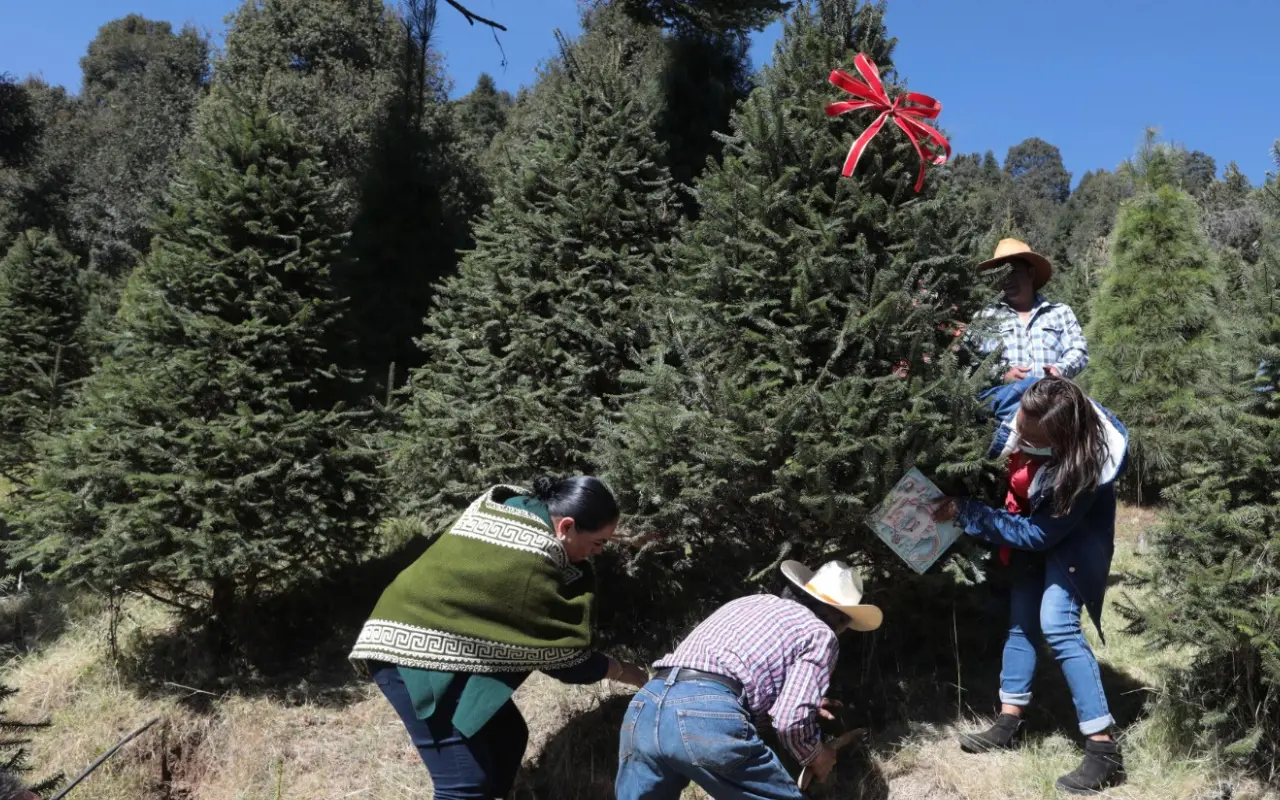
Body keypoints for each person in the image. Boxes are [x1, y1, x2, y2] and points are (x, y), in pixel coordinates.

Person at [349, 476, 649, 800]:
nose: (598, 553)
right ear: (566, 527)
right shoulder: (531, 563)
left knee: (507, 736)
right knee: (463, 784)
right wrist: (623, 671)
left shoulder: (517, 508)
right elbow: (563, 660)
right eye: (598, 543)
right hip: (408, 653)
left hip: (437, 633)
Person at [932, 376, 1129, 795]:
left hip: (1067, 540)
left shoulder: (1090, 465)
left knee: (1056, 623)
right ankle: (1009, 722)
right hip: (1022, 519)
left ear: (1060, 441)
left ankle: (1104, 751)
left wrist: (968, 512)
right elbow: (963, 387)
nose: (1018, 435)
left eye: (1030, 435)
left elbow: (1041, 536)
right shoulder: (1026, 400)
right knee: (1021, 620)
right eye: (1019, 423)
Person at [614, 560, 883, 800]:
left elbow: (740, 670)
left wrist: (809, 703)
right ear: (842, 620)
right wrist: (817, 755)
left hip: (646, 705)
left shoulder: (751, 602)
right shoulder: (820, 633)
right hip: (706, 717)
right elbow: (791, 719)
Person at [972, 238, 1088, 382]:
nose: (1006, 280)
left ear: (1031, 273)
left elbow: (1078, 350)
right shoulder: (985, 318)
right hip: (1003, 398)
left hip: (1052, 395)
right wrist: (1001, 375)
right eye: (1000, 274)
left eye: (1012, 272)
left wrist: (1059, 369)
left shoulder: (1060, 313)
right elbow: (971, 360)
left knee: (1092, 405)